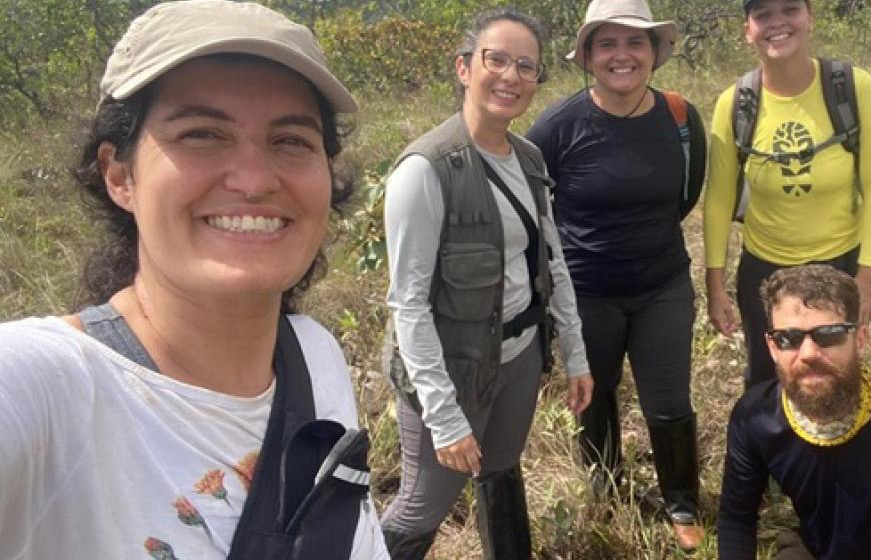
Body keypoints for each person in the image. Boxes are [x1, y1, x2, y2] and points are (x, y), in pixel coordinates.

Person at [0, 1, 389, 559]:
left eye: (291, 141)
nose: (255, 180)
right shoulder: (51, 391)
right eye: (202, 134)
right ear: (120, 175)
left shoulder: (315, 357)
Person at [380, 8, 593, 560]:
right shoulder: (425, 171)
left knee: (500, 471)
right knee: (424, 504)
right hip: (453, 369)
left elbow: (552, 260)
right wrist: (445, 417)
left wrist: (575, 353)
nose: (511, 76)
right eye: (495, 59)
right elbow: (408, 305)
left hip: (520, 356)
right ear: (464, 68)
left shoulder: (528, 158)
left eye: (527, 66)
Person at [525, 0, 707, 551]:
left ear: (654, 52)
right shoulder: (557, 127)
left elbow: (686, 193)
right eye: (607, 44)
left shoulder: (679, 118)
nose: (622, 55)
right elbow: (533, 208)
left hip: (663, 285)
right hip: (586, 292)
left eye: (635, 43)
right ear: (587, 55)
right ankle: (606, 491)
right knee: (594, 394)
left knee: (670, 401)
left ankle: (681, 502)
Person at [717, 265, 871, 560]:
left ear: (860, 339)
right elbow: (737, 519)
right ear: (772, 348)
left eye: (829, 334)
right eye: (789, 339)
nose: (809, 353)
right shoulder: (755, 418)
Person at [703, 0, 871, 389]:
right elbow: (719, 200)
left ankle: (834, 450)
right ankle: (769, 449)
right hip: (764, 270)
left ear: (809, 17)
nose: (777, 23)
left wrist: (868, 279)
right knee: (768, 379)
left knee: (834, 378)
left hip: (839, 264)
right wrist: (715, 285)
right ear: (747, 29)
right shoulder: (736, 103)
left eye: (790, 9)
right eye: (762, 15)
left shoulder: (851, 88)